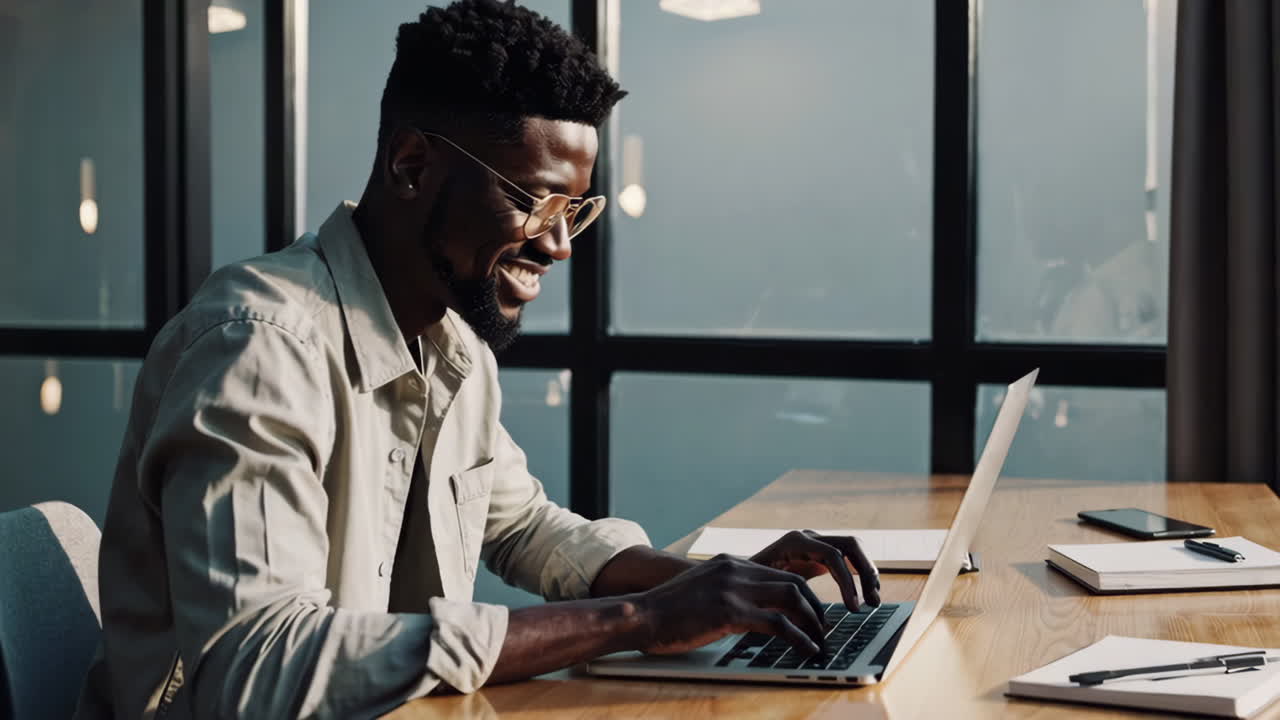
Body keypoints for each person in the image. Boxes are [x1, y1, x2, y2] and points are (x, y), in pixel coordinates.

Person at [74, 2, 879, 717]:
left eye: (575, 210)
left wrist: (699, 583)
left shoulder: (452, 345)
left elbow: (522, 526)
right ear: (412, 165)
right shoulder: (258, 347)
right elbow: (258, 672)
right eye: (534, 201)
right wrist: (640, 620)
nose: (559, 245)